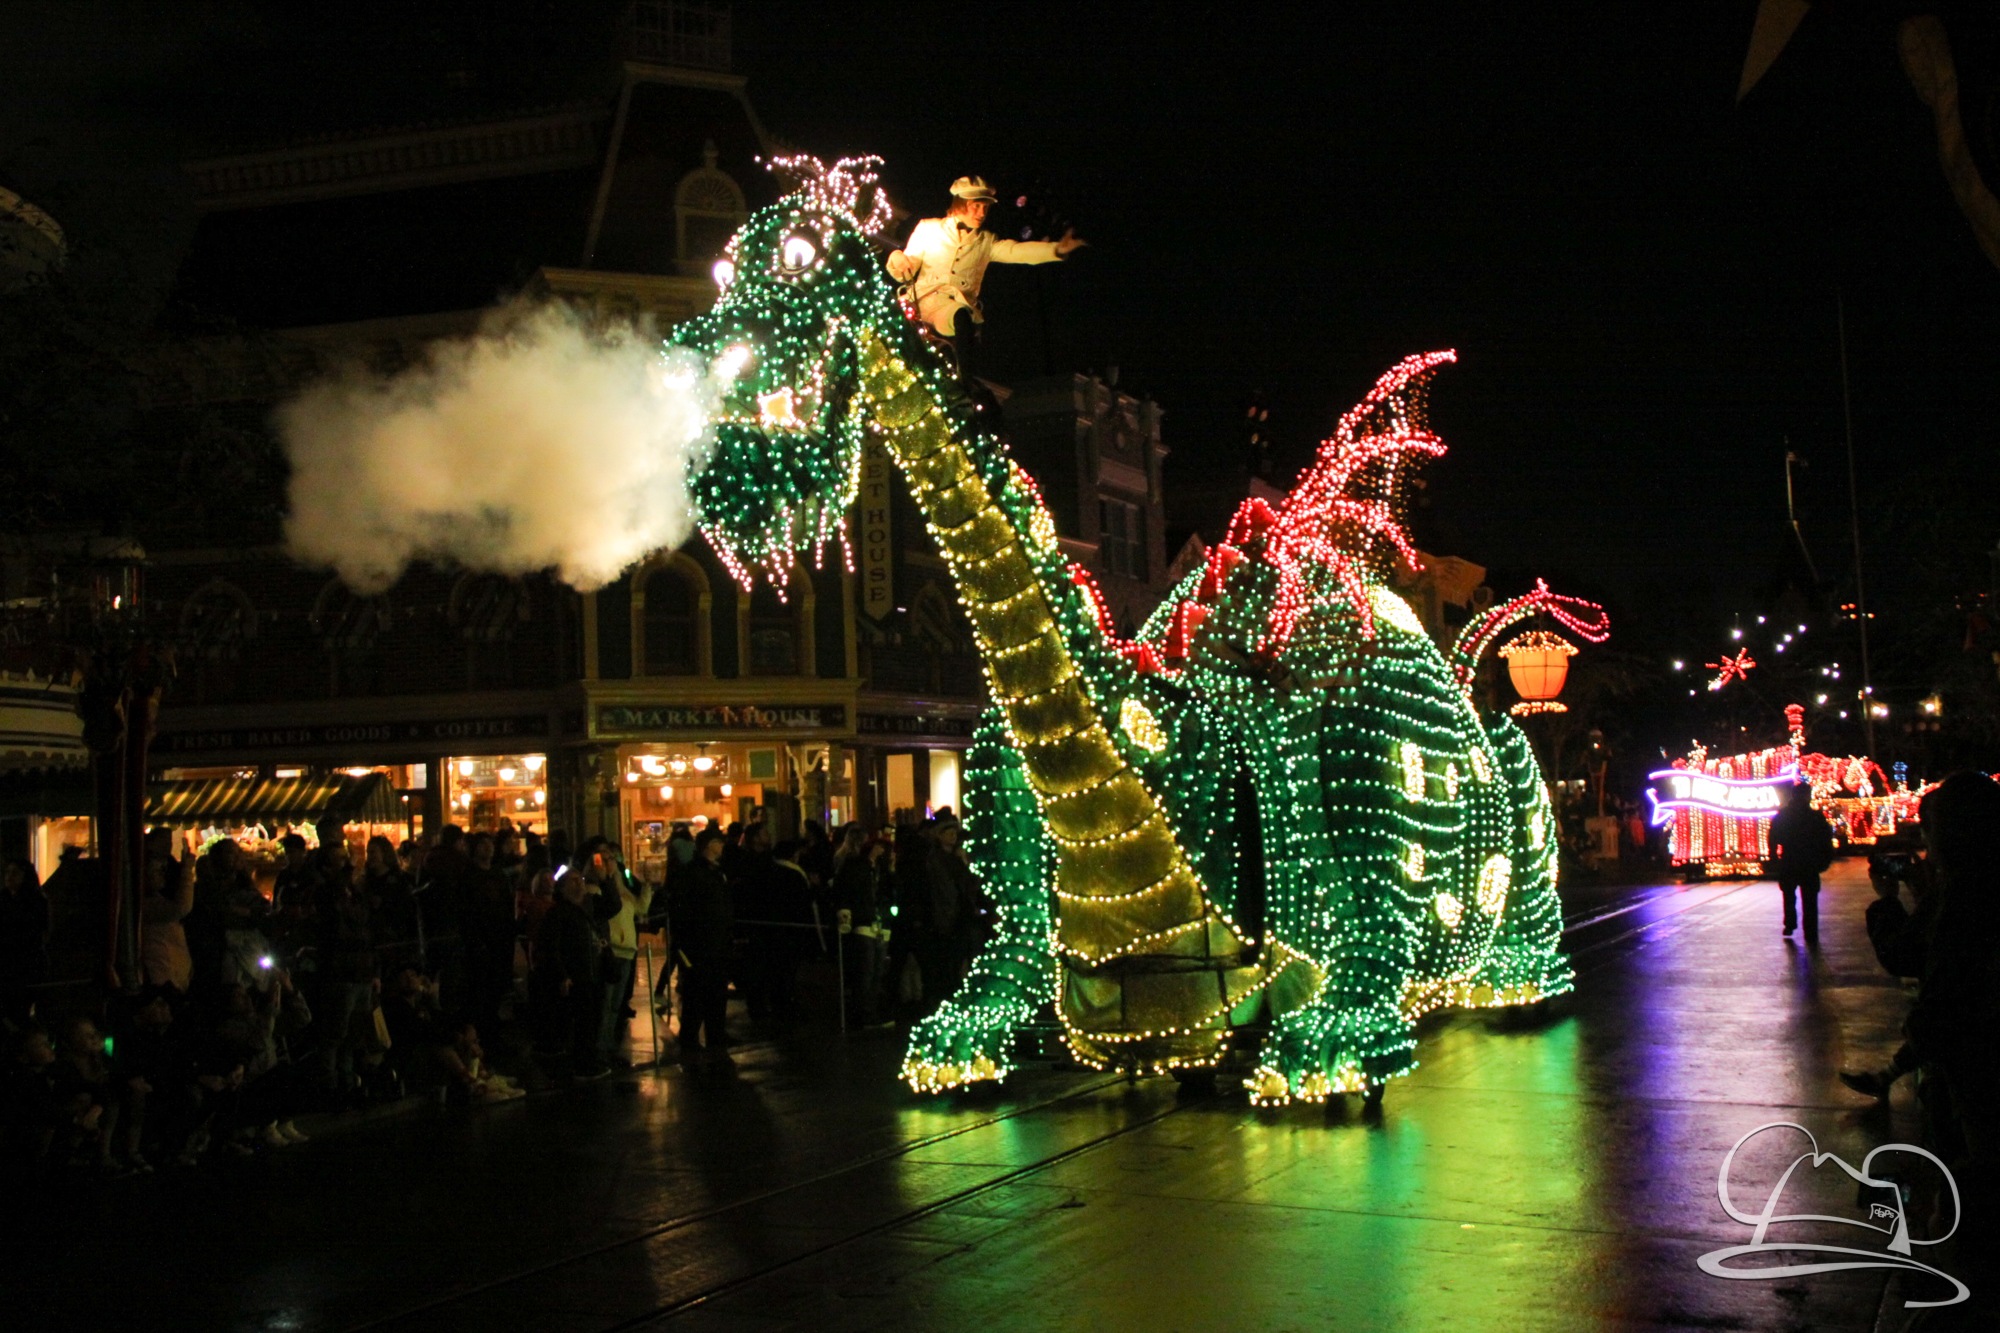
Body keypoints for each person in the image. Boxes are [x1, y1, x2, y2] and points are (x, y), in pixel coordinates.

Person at [886, 176, 1086, 381]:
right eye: (976, 206)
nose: (982, 213)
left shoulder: (986, 242)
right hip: (921, 302)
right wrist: (897, 258)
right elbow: (907, 268)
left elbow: (1016, 251)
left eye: (985, 208)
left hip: (950, 311)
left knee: (962, 316)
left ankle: (965, 380)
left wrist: (1056, 250)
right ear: (960, 203)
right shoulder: (929, 228)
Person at [674, 829, 734, 1069]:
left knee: (716, 992)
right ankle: (691, 1039)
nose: (722, 846)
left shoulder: (715, 871)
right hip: (701, 944)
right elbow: (685, 909)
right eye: (718, 842)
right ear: (709, 845)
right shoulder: (695, 873)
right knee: (697, 994)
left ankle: (715, 1034)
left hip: (717, 942)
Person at [594, 843, 653, 1069]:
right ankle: (601, 1048)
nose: (610, 863)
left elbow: (640, 908)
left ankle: (608, 1045)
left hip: (626, 950)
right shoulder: (598, 889)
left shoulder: (621, 888)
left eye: (612, 859)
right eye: (605, 859)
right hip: (612, 950)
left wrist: (647, 885)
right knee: (606, 1003)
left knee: (615, 1004)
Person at [1768, 781, 1834, 944]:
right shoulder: (1815, 817)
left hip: (1789, 859)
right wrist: (1825, 859)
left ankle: (1790, 923)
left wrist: (1774, 857)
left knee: (1789, 895)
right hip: (1809, 862)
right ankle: (1810, 931)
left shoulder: (1783, 815)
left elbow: (1773, 837)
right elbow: (1825, 840)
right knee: (1810, 899)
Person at [0, 859, 52, 1026]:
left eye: (14, 873)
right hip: (6, 961)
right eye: (7, 872)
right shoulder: (4, 899)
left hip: (27, 960)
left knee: (22, 1003)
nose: (9, 877)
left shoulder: (35, 900)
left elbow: (39, 930)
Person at [140, 852, 197, 993]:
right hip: (162, 978)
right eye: (156, 871)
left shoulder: (158, 900)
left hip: (173, 976)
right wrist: (186, 871)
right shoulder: (145, 905)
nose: (161, 874)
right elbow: (182, 907)